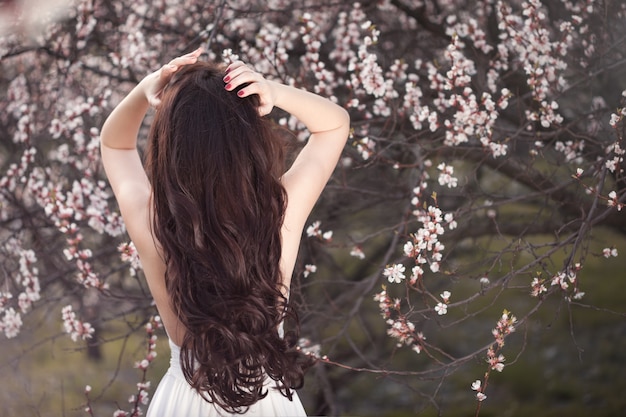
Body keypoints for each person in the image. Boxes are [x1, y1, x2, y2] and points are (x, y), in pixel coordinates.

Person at [100, 47, 350, 416]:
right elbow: (334, 125)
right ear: (249, 144)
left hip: (183, 402)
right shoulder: (278, 214)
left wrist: (144, 90)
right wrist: (274, 92)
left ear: (170, 147)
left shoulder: (154, 222)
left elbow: (115, 144)